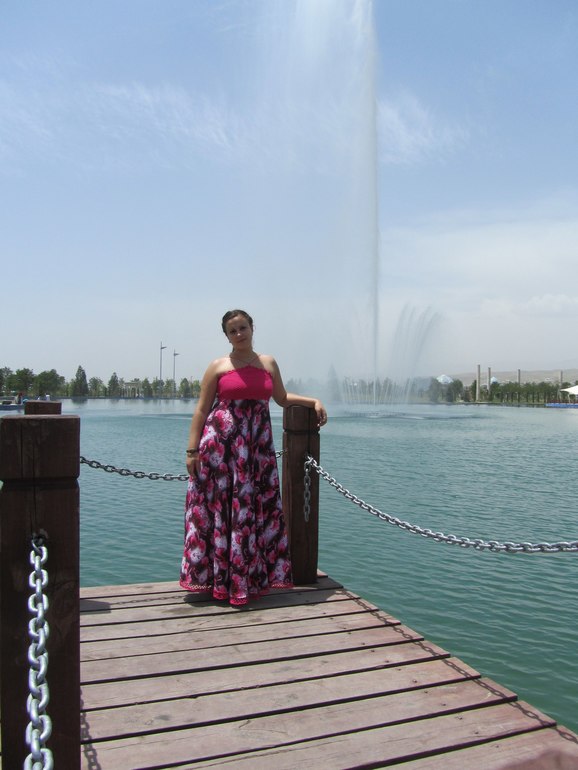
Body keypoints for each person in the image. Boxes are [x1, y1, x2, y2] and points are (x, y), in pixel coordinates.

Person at [180, 309, 328, 606]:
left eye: (243, 328)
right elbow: (201, 409)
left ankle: (246, 579)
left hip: (257, 449)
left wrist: (313, 400)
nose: (239, 334)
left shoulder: (268, 363)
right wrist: (192, 450)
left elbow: (281, 398)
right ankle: (219, 580)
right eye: (232, 331)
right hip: (220, 449)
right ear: (227, 336)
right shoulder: (218, 366)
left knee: (253, 511)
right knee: (221, 511)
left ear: (252, 328)